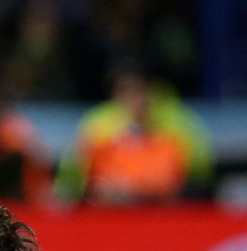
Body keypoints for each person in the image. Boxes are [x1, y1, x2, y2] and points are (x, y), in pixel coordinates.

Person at [55, 65, 212, 204]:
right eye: (125, 90)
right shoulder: (96, 124)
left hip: (163, 210)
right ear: (114, 93)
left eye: (139, 90)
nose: (134, 99)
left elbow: (195, 175)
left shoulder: (177, 122)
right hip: (107, 211)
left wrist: (141, 187)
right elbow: (74, 174)